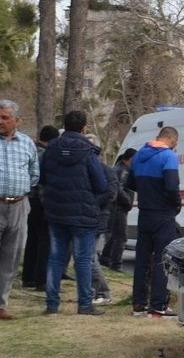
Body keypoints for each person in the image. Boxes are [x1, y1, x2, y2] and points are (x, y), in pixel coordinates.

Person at [40, 110, 108, 316]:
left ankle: (52, 304)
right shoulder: (88, 151)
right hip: (83, 212)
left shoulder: (51, 149)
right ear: (84, 128)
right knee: (83, 260)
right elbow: (101, 184)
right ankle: (85, 304)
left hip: (56, 211)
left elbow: (42, 177)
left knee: (55, 257)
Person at [0, 100, 38, 326]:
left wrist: (18, 190)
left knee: (11, 257)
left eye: (4, 118)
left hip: (18, 205)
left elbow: (34, 173)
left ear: (17, 120)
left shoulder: (27, 143)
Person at [127, 127, 180, 318]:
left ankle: (138, 304)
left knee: (142, 260)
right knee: (162, 260)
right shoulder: (169, 156)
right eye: (175, 143)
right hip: (163, 213)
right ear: (172, 139)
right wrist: (176, 204)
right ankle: (158, 305)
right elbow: (172, 186)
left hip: (144, 213)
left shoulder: (139, 155)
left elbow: (130, 183)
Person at [22, 125, 60, 290]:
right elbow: (44, 182)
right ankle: (41, 279)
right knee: (45, 240)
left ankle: (28, 277)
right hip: (42, 201)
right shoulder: (46, 155)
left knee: (32, 239)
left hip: (29, 200)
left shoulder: (31, 150)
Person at [90, 138, 118, 305]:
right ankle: (94, 291)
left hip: (98, 218)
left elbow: (111, 194)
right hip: (92, 217)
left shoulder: (106, 171)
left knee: (90, 258)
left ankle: (102, 292)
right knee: (87, 258)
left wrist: (92, 203)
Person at [101, 148, 136, 271]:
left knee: (114, 235)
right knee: (121, 236)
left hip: (117, 206)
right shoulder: (123, 171)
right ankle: (116, 263)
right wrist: (127, 201)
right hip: (119, 207)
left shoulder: (120, 169)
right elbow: (119, 189)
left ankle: (105, 257)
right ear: (130, 159)